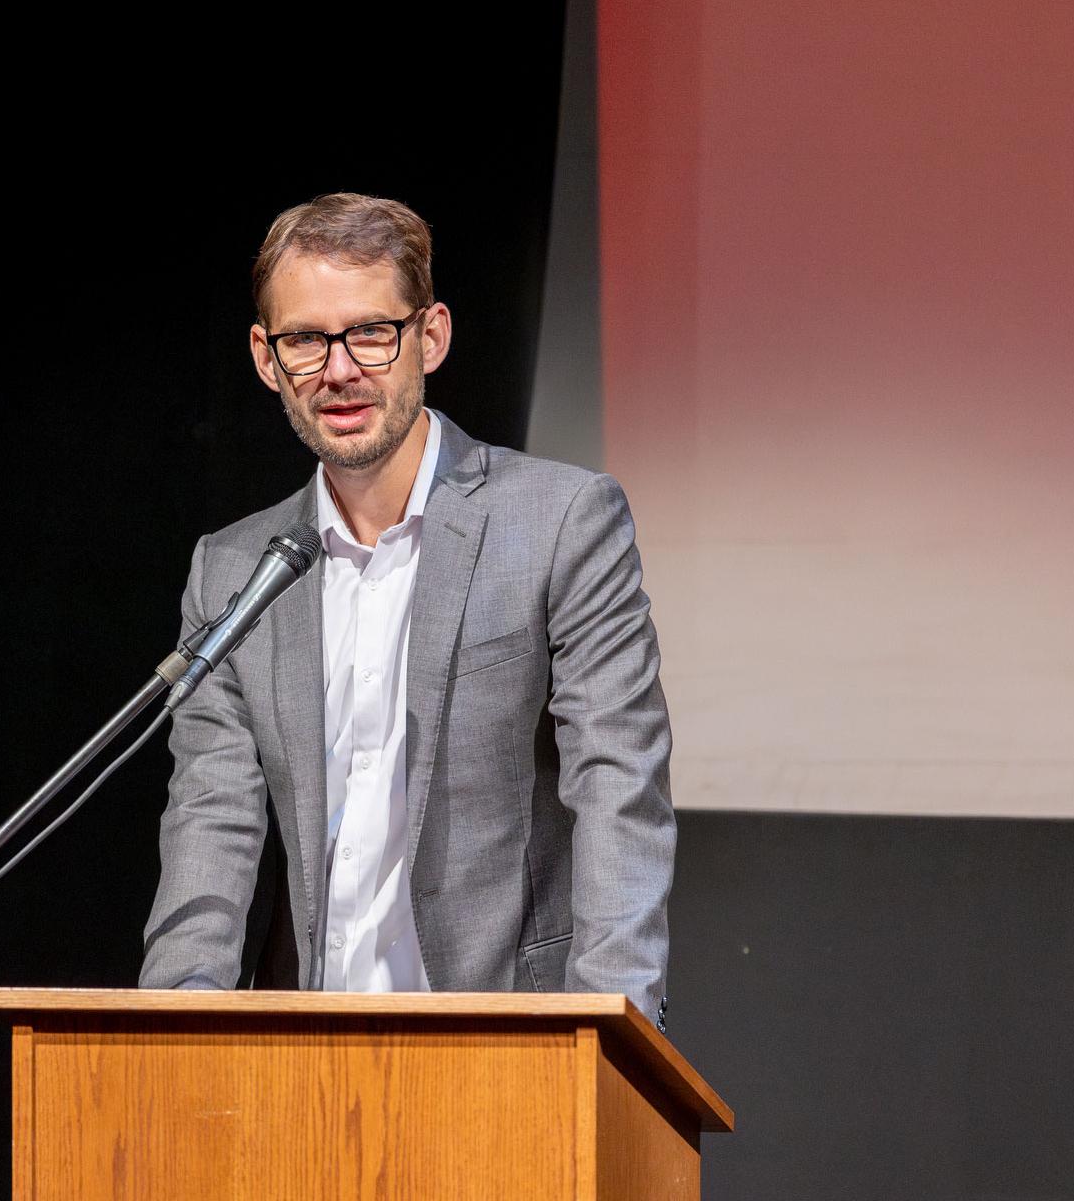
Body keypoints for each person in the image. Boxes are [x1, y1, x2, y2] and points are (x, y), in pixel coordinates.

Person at [138, 193, 675, 1026]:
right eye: (306, 340)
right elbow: (210, 822)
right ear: (265, 357)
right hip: (301, 1061)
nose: (340, 369)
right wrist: (169, 1032)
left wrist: (609, 1037)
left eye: (371, 333)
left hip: (506, 1048)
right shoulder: (233, 570)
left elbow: (618, 788)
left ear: (430, 336)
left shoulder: (562, 522)